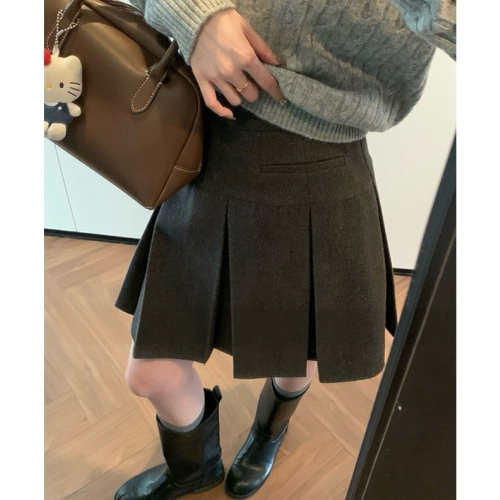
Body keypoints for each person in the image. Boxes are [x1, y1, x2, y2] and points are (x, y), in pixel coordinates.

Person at [113, 1, 456, 498]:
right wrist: (193, 16)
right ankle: (195, 468)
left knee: (297, 357)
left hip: (326, 170)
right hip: (211, 146)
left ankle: (268, 432)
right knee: (149, 372)